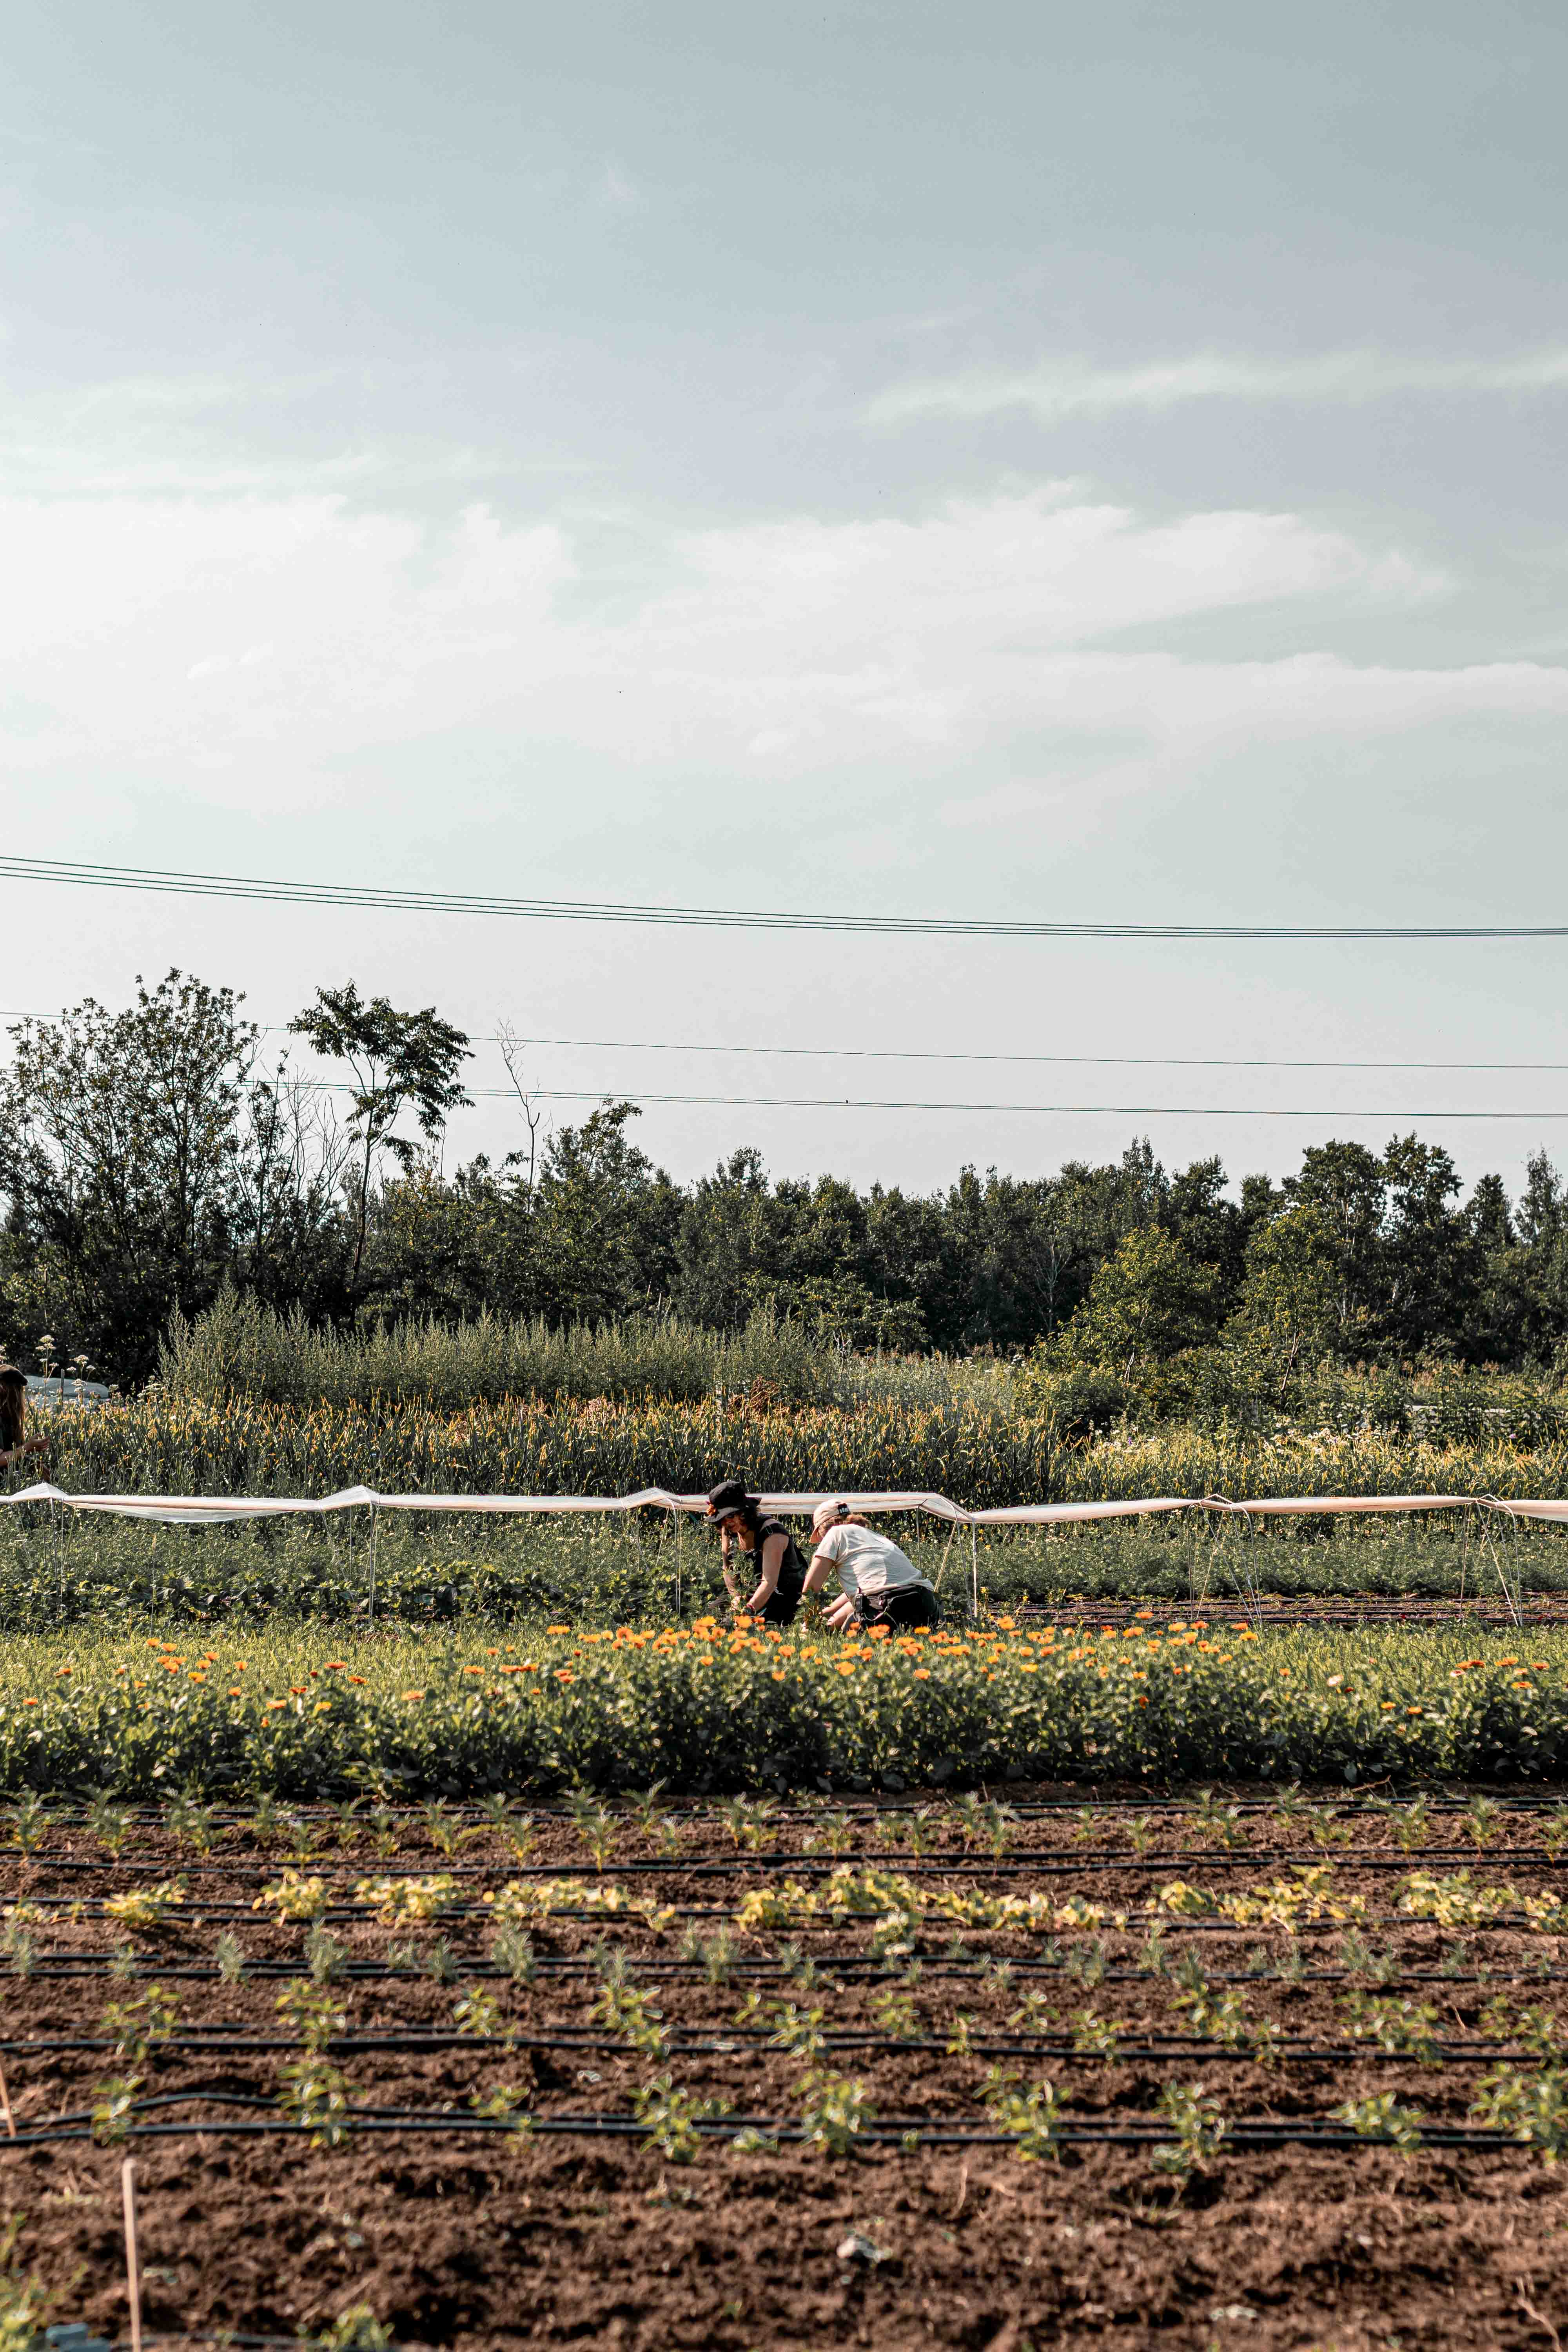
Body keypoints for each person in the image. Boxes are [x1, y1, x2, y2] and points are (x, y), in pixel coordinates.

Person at [803, 1499, 940, 1631]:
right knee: (858, 1608)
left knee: (849, 1629)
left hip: (887, 1609)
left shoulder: (835, 1532)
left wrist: (807, 1624)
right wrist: (831, 1610)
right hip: (926, 1607)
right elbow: (869, 1590)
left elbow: (811, 1588)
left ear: (823, 1529)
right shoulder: (874, 1536)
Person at [704, 1478, 807, 1626]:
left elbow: (770, 1582)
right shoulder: (727, 1530)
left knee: (733, 1625)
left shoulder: (772, 1533)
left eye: (731, 1516)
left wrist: (746, 1611)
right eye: (722, 1518)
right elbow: (728, 1570)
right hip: (748, 1591)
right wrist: (736, 1597)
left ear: (743, 1513)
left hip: (780, 1594)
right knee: (708, 1618)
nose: (727, 1522)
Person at [0, 1367, 49, 1473]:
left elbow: (12, 1453)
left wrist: (32, 1463)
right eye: (18, 1391)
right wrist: (28, 1447)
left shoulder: (9, 1419)